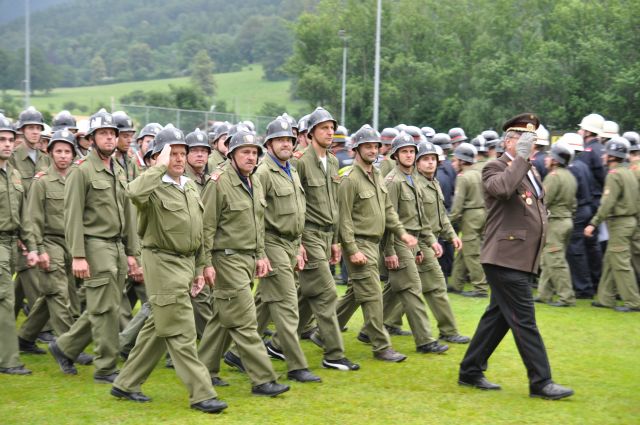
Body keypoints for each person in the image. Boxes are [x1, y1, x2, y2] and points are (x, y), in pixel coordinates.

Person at [110, 126, 227, 414]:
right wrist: (158, 166)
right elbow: (132, 192)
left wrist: (199, 268)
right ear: (157, 157)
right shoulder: (151, 186)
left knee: (159, 326)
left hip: (185, 264)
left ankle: (125, 383)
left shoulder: (188, 186)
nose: (179, 158)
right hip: (162, 263)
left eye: (182, 153)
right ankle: (202, 393)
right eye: (171, 153)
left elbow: (197, 231)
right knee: (182, 331)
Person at [458, 113, 574, 400]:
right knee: (524, 320)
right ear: (508, 141)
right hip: (504, 257)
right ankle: (541, 382)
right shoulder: (493, 167)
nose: (531, 146)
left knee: (497, 318)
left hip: (520, 257)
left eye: (532, 141)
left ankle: (470, 370)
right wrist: (520, 158)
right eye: (524, 140)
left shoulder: (531, 170)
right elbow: (503, 189)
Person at [48, 109, 140, 382]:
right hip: (95, 245)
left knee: (107, 303)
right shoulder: (82, 171)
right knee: (104, 309)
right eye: (103, 134)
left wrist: (132, 252)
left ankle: (65, 347)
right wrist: (78, 255)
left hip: (117, 246)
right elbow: (72, 215)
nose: (110, 138)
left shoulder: (118, 169)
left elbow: (128, 213)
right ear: (91, 139)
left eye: (112, 133)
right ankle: (106, 367)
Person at [198, 129, 290, 396]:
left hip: (247, 259)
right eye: (245, 152)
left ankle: (203, 371)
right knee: (245, 321)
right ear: (231, 154)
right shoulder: (218, 182)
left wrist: (261, 255)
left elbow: (258, 223)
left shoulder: (254, 180)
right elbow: (205, 228)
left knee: (222, 317)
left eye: (254, 152)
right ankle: (263, 379)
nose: (251, 157)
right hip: (226, 259)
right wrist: (205, 264)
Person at [338, 124, 418, 362]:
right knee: (373, 296)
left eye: (375, 146)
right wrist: (351, 250)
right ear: (356, 149)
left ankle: (323, 333)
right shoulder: (349, 179)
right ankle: (381, 346)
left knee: (356, 294)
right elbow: (343, 219)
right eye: (368, 147)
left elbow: (388, 210)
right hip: (359, 244)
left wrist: (402, 233)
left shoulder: (377, 175)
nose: (373, 150)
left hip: (374, 244)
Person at [252, 117, 321, 383]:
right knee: (288, 304)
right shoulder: (263, 173)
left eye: (289, 140)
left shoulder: (290, 169)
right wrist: (260, 253)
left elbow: (297, 211)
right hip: (271, 242)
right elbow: (256, 216)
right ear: (268, 144)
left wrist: (299, 244)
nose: (285, 144)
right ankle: (296, 365)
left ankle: (235, 352)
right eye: (279, 140)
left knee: (266, 302)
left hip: (291, 243)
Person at [292, 107, 359, 372]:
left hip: (326, 234)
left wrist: (335, 240)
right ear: (311, 133)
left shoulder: (332, 161)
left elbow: (333, 203)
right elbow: (295, 205)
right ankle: (333, 353)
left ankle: (277, 344)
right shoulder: (300, 161)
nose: (330, 132)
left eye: (332, 128)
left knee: (307, 293)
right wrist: (298, 242)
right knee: (328, 292)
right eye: (324, 128)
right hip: (308, 234)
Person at [18, 130, 93, 365]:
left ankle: (25, 337)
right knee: (59, 292)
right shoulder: (41, 182)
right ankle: (68, 346)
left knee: (51, 293)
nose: (63, 156)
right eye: (58, 151)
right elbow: (32, 220)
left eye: (67, 151)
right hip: (50, 242)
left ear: (73, 154)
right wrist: (39, 249)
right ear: (50, 153)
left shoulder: (77, 179)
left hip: (72, 243)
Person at [378, 132, 449, 354]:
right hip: (398, 241)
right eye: (404, 152)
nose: (409, 155)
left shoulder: (413, 180)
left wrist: (429, 241)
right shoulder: (393, 182)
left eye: (411, 151)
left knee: (397, 289)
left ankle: (371, 330)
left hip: (412, 241)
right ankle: (425, 341)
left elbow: (420, 217)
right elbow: (388, 220)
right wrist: (389, 251)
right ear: (395, 155)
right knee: (411, 288)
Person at [586, 138, 640, 312]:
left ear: (612, 156)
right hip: (629, 221)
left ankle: (634, 302)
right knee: (610, 260)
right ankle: (606, 298)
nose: (603, 156)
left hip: (620, 223)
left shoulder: (614, 175)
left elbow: (607, 203)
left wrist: (593, 223)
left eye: (606, 153)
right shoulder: (629, 172)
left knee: (621, 264)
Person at [11, 107, 51, 338]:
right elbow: (12, 198)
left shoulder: (46, 159)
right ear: (22, 130)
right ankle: (40, 330)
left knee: (19, 286)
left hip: (41, 227)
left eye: (38, 128)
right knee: (33, 279)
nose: (35, 132)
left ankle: (10, 330)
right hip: (21, 230)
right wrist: (20, 234)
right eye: (30, 128)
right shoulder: (13, 157)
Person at [0, 114, 32, 375]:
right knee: (5, 300)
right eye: (2, 139)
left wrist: (31, 246)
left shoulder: (13, 174)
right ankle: (8, 360)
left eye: (11, 140)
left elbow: (23, 215)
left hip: (12, 243)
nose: (7, 144)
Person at [536, 142, 577, 306]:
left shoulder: (553, 177)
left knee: (555, 261)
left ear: (555, 160)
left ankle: (566, 297)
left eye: (549, 157)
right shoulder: (570, 176)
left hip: (556, 223)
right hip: (566, 221)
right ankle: (543, 294)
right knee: (549, 259)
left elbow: (543, 201)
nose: (546, 159)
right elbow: (574, 204)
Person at [449, 143, 488, 297]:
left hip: (470, 217)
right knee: (464, 250)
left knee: (472, 254)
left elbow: (457, 205)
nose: (453, 163)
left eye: (455, 160)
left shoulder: (463, 177)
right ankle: (456, 284)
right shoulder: (479, 174)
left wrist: (447, 221)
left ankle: (480, 288)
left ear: (462, 161)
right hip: (483, 213)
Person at [562, 133, 597, 298]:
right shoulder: (582, 165)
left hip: (579, 210)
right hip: (587, 208)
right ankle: (588, 284)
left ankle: (583, 288)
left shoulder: (572, 168)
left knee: (575, 251)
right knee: (584, 249)